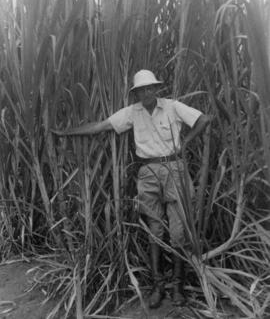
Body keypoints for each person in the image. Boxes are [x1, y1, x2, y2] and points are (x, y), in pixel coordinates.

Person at [52, 69, 210, 308]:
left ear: (156, 89)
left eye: (150, 88)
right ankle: (158, 286)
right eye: (141, 90)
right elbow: (100, 126)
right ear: (136, 93)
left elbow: (203, 119)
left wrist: (186, 142)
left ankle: (178, 287)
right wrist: (66, 132)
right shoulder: (132, 113)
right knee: (154, 231)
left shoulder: (172, 106)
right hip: (147, 173)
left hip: (175, 170)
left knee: (179, 232)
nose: (146, 93)